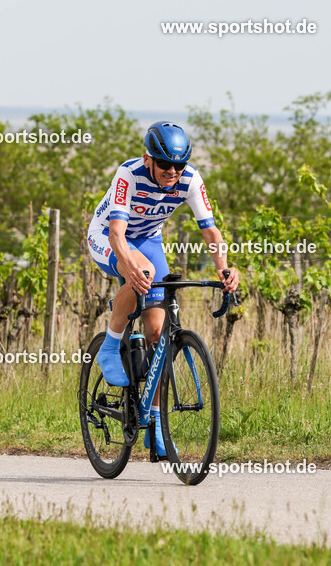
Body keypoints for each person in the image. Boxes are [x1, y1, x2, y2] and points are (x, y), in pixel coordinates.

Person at [86, 121, 240, 457]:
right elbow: (116, 234)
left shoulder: (189, 179)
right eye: (165, 164)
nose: (172, 171)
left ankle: (154, 420)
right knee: (142, 271)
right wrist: (132, 270)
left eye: (179, 165)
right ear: (148, 159)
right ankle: (110, 347)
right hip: (108, 237)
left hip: (149, 240)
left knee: (158, 334)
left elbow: (211, 233)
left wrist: (224, 269)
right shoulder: (128, 174)